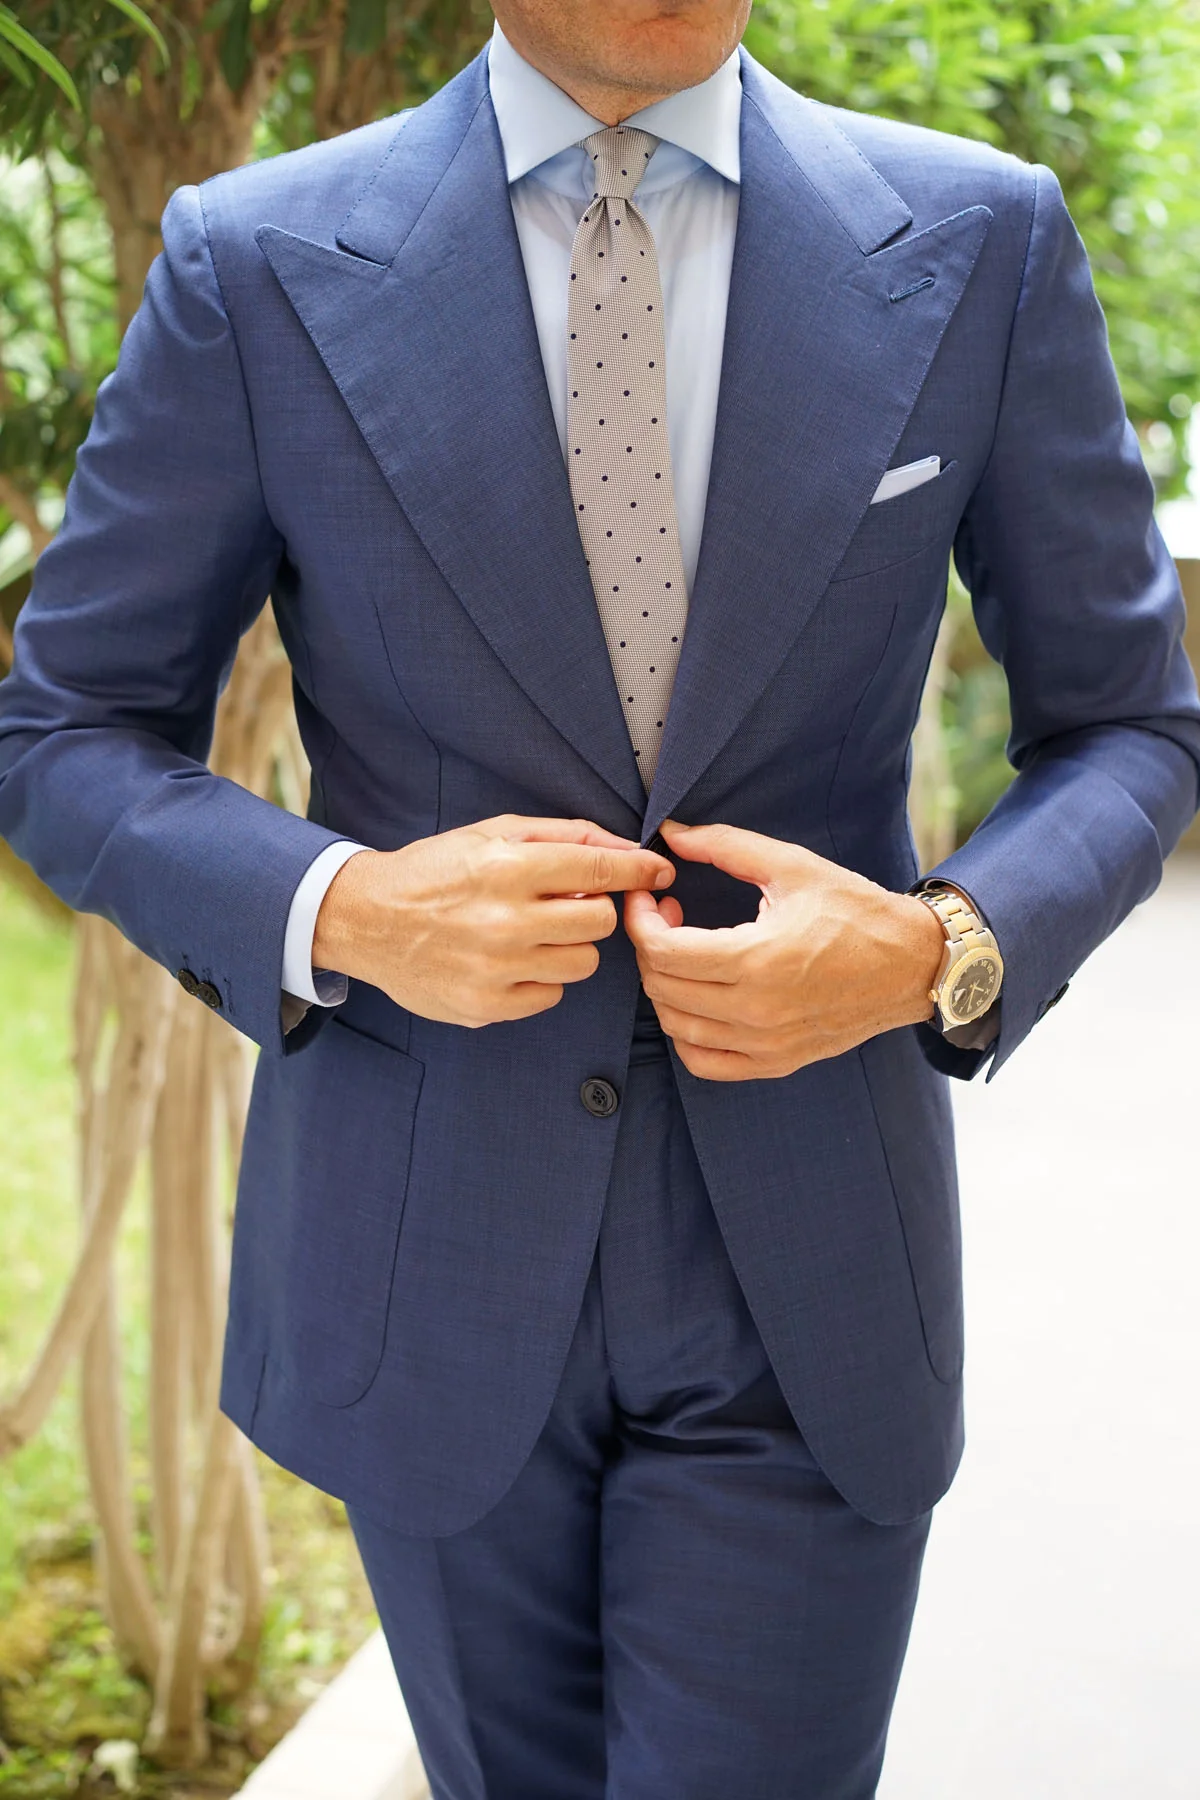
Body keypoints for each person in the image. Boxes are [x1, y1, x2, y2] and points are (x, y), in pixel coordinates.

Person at [2, 1, 1198, 1793]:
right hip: (431, 1251)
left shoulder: (979, 237)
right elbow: (64, 725)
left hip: (812, 1265)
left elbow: (1129, 726)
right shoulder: (256, 260)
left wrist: (932, 946)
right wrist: (346, 907)